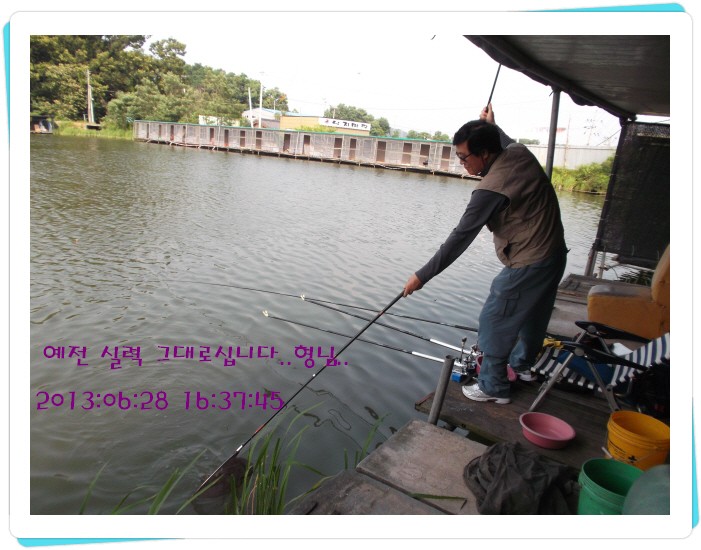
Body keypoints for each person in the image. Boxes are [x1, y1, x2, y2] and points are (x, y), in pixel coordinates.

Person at [403, 104, 567, 405]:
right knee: (533, 316)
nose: (461, 163)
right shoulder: (518, 153)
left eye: (464, 157)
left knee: (494, 319)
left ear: (485, 154)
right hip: (554, 254)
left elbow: (460, 237)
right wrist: (490, 125)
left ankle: (493, 386)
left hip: (529, 261)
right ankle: (522, 367)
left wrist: (421, 276)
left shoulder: (491, 189)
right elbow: (502, 139)